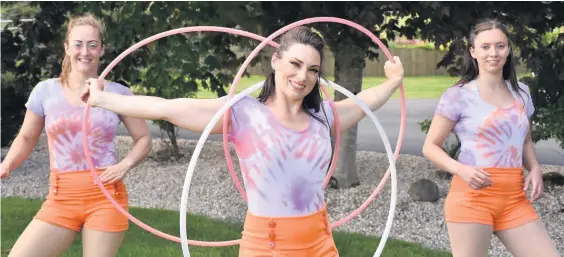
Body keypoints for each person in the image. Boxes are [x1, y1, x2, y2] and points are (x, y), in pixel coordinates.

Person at [83, 26, 404, 256]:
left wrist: (393, 82)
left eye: (312, 69)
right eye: (295, 64)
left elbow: (364, 103)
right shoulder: (243, 114)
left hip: (320, 242)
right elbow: (166, 108)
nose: (302, 75)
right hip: (268, 245)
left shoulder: (324, 117)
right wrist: (101, 100)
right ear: (276, 61)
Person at [0, 14, 152, 257]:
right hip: (60, 198)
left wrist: (125, 164)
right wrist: (7, 165)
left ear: (102, 49)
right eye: (78, 44)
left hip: (105, 196)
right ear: (67, 47)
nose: (85, 51)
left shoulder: (117, 93)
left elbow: (144, 139)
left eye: (92, 45)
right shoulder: (45, 91)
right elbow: (27, 137)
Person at [422, 19, 560, 257]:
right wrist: (460, 169)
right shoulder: (457, 96)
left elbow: (524, 140)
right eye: (485, 47)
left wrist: (535, 167)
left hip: (514, 198)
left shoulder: (522, 93)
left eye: (500, 46)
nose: (493, 53)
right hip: (471, 198)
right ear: (473, 52)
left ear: (508, 50)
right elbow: (430, 147)